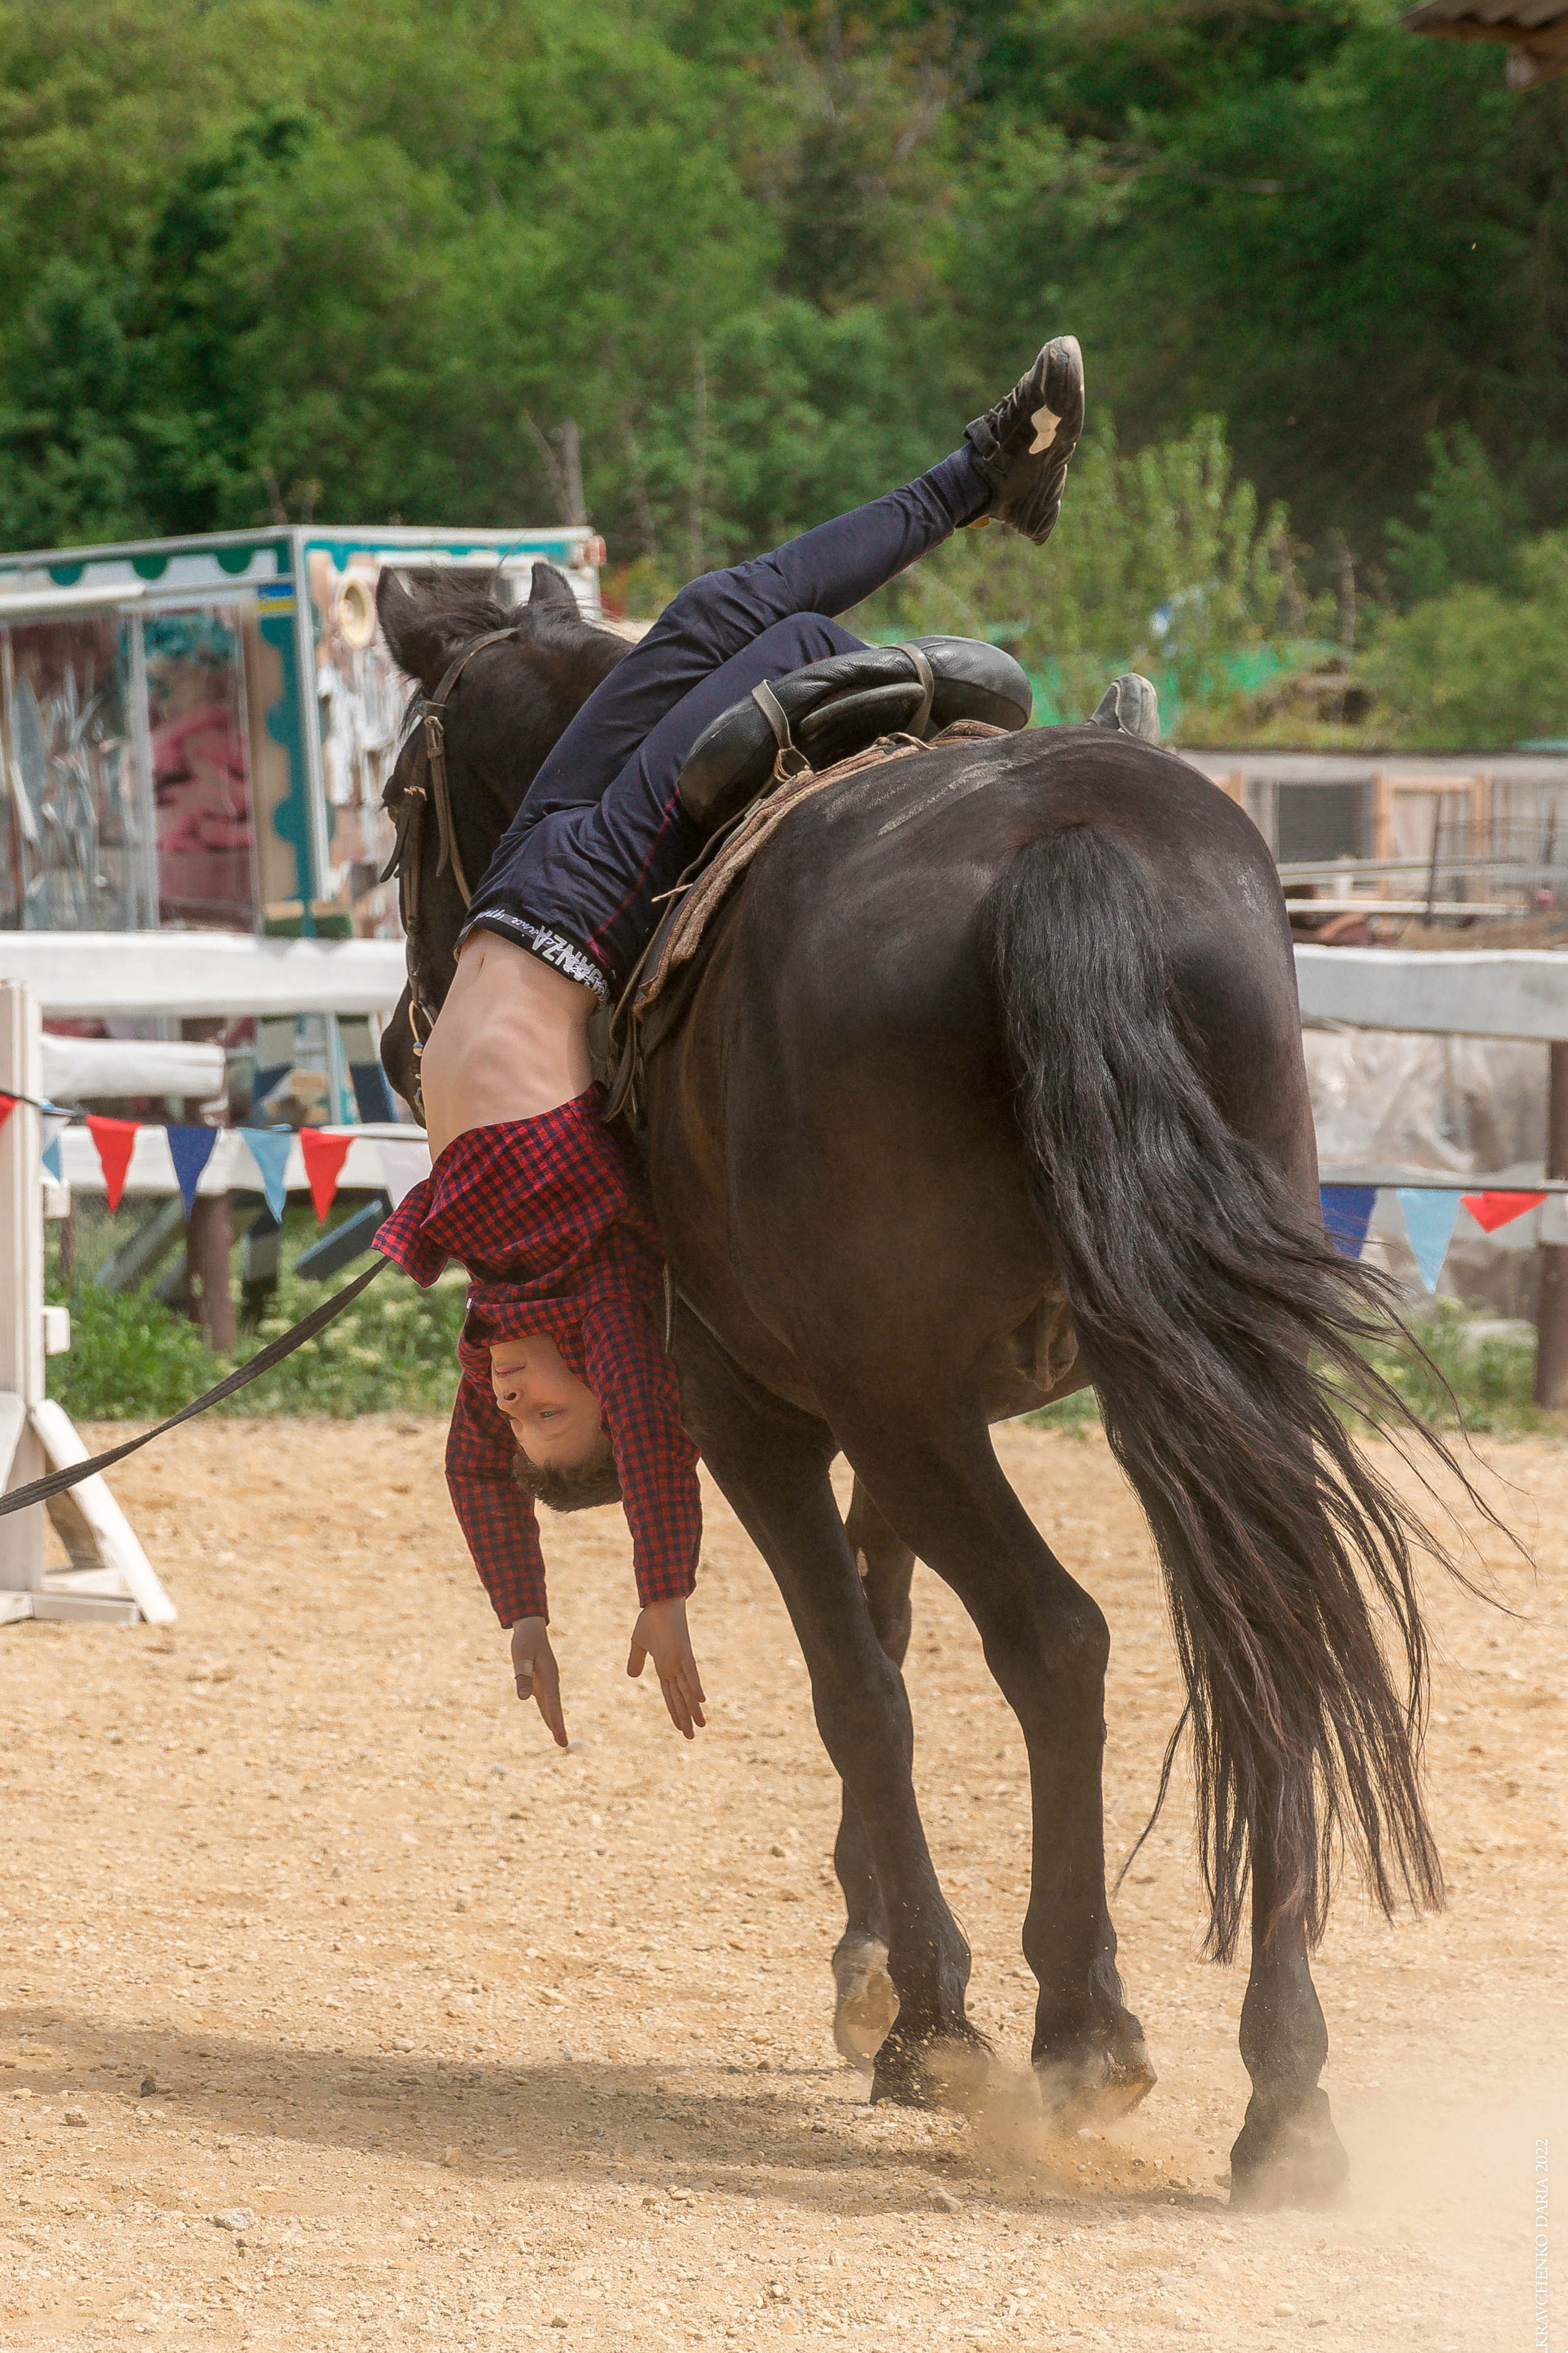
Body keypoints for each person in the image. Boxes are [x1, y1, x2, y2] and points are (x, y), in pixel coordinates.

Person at [374, 335, 1086, 1750]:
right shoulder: (598, 1292)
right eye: (550, 1422)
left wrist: (518, 1608)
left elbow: (471, 1473)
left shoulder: (492, 1334)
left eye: (512, 1417)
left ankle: (982, 484)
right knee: (765, 641)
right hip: (580, 919)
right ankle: (964, 500)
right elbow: (650, 1421)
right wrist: (662, 1586)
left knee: (710, 613)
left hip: (512, 893)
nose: (518, 1403)